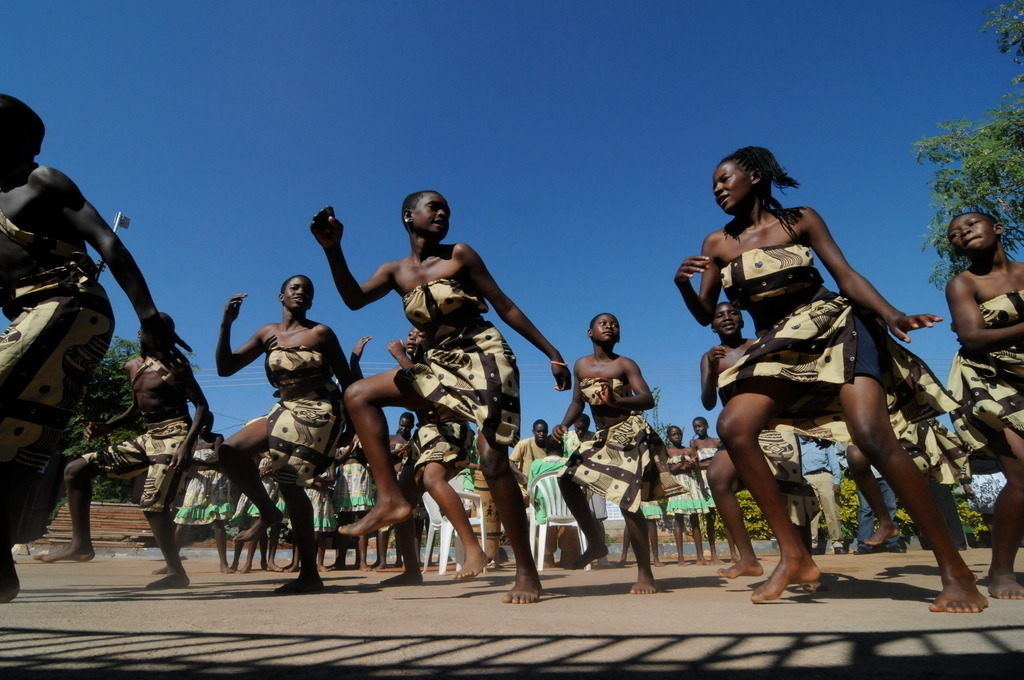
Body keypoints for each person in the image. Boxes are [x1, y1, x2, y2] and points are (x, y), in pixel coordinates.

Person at [675, 146, 986, 611]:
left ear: (755, 176)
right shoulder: (717, 243)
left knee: (873, 439)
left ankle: (955, 572)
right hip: (777, 343)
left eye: (725, 178)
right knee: (735, 427)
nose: (717, 188)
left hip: (835, 327)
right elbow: (705, 315)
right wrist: (683, 284)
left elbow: (843, 274)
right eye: (713, 184)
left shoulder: (800, 220)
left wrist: (891, 313)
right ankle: (795, 555)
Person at [310, 191, 571, 603]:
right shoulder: (394, 272)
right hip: (435, 363)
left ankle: (526, 572)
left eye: (447, 208)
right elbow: (354, 300)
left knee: (493, 461)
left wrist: (552, 353)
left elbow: (504, 305)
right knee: (358, 394)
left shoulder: (460, 255)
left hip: (483, 354)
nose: (443, 213)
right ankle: (391, 499)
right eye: (433, 207)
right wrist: (333, 249)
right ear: (408, 216)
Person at [0, 94, 181, 603]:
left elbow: (108, 241)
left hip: (70, 304)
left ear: (19, 138)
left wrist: (148, 316)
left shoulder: (42, 180)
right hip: (28, 318)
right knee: (16, 435)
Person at [34, 313, 207, 590]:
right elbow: (137, 408)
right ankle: (80, 545)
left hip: (175, 435)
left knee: (152, 503)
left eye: (167, 331)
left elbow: (201, 406)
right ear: (141, 334)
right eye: (155, 330)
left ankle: (177, 573)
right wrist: (108, 426)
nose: (160, 336)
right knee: (76, 468)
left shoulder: (176, 365)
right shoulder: (132, 367)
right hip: (149, 436)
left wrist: (187, 445)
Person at [215, 275, 353, 594]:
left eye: (308, 291)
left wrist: (352, 427)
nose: (302, 293)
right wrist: (226, 324)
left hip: (321, 409)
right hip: (285, 408)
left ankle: (309, 575)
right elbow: (225, 368)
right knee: (230, 451)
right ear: (281, 296)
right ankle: (268, 512)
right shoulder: (267, 333)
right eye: (295, 288)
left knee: (289, 482)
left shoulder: (321, 333)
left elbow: (348, 379)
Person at [553, 313, 683, 594]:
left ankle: (645, 574)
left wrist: (617, 400)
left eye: (615, 324)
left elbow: (647, 399)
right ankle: (596, 542)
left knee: (628, 502)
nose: (610, 327)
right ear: (590, 332)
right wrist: (563, 424)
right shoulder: (581, 365)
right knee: (566, 478)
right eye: (604, 323)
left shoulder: (625, 364)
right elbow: (578, 401)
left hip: (629, 433)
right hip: (602, 438)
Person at [699, 301, 818, 578]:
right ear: (712, 325)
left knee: (790, 494)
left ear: (742, 320)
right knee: (718, 477)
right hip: (737, 434)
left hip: (774, 427)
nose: (727, 318)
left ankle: (806, 564)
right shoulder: (710, 357)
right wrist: (712, 372)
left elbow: (790, 380)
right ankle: (748, 558)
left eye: (732, 313)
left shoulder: (762, 344)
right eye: (719, 315)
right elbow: (706, 402)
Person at [944, 211, 1024, 599]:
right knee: (1022, 472)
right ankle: (1001, 570)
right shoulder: (963, 284)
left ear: (998, 228)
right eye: (954, 236)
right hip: (988, 380)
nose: (962, 235)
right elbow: (973, 338)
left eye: (970, 226)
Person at [382, 329, 486, 584]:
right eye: (409, 334)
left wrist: (400, 357)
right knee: (402, 503)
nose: (411, 337)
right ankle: (411, 570)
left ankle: (474, 550)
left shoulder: (443, 357)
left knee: (432, 478)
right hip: (424, 436)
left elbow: (429, 392)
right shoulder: (415, 364)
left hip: (450, 428)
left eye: (419, 334)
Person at [173, 416, 233, 573]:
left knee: (218, 522)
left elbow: (220, 462)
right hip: (197, 482)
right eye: (203, 423)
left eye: (209, 423)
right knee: (184, 520)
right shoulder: (190, 442)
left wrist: (196, 462)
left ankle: (223, 564)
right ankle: (171, 562)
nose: (206, 426)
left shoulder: (216, 438)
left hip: (217, 482)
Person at [689, 417, 732, 564]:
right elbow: (696, 464)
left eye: (700, 426)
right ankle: (713, 554)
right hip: (704, 480)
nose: (698, 429)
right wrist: (709, 463)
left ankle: (734, 553)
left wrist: (707, 463)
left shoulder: (717, 442)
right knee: (710, 517)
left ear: (707, 426)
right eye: (695, 427)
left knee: (727, 515)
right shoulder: (694, 443)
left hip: (719, 477)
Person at [664, 425, 710, 565]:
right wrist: (682, 464)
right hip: (678, 486)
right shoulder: (668, 452)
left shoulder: (689, 450)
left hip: (691, 484)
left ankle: (700, 556)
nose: (677, 436)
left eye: (679, 434)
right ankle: (680, 557)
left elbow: (696, 468)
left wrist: (692, 464)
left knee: (695, 518)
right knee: (678, 520)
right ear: (669, 437)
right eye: (673, 434)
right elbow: (670, 471)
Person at [800, 438, 846, 555]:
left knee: (832, 510)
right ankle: (812, 544)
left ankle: (837, 542)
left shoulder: (823, 442)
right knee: (810, 513)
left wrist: (836, 480)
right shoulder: (797, 445)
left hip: (825, 476)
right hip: (806, 479)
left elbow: (833, 461)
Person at [510, 419, 562, 490]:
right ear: (533, 432)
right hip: (526, 488)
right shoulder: (524, 444)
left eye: (544, 431)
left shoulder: (551, 445)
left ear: (547, 432)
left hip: (546, 488)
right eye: (539, 431)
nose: (541, 434)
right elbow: (510, 461)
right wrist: (522, 477)